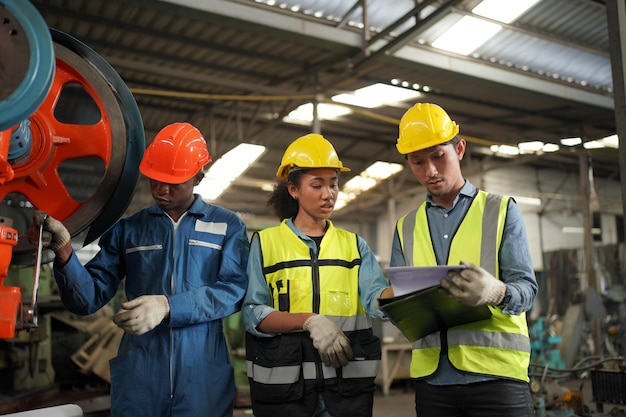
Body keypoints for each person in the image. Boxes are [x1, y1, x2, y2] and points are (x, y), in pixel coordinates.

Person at [30, 122, 250, 417]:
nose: (161, 190)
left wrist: (168, 306)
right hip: (141, 379)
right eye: (155, 180)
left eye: (174, 182)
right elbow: (87, 299)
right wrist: (65, 251)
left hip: (202, 377)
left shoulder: (226, 226)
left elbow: (234, 291)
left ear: (198, 177)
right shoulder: (129, 230)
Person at [390, 103, 538, 417]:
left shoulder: (500, 211)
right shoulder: (406, 227)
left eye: (438, 157)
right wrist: (392, 304)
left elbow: (527, 290)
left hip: (496, 379)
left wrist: (497, 292)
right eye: (418, 162)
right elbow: (402, 302)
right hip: (434, 382)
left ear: (459, 149)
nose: (429, 171)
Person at [242, 133, 393, 417]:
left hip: (345, 392)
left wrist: (411, 291)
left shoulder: (353, 245)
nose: (329, 194)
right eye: (317, 185)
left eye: (333, 184)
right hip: (287, 395)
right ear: (293, 189)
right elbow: (253, 313)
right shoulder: (266, 243)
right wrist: (308, 320)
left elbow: (376, 298)